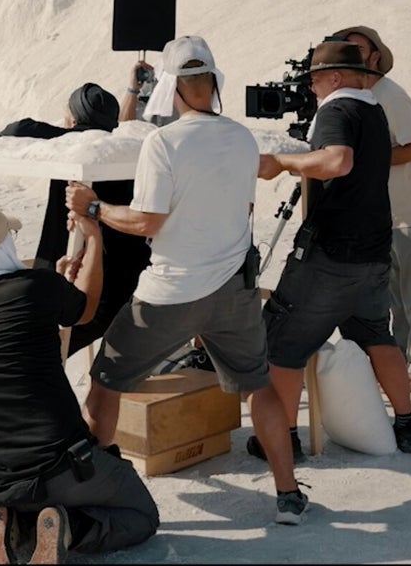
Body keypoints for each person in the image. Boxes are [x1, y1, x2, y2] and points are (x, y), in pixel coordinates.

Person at [65, 35, 308, 525]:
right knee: (258, 387)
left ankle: (91, 497)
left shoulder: (163, 142)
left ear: (171, 86)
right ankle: (288, 495)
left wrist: (92, 207)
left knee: (104, 381)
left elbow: (146, 221)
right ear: (212, 82)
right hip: (232, 290)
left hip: (170, 293)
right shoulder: (242, 136)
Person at [0, 204, 159, 563]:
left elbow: (9, 329)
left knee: (24, 523)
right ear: (4, 246)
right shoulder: (36, 287)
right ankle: (69, 527)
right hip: (57, 465)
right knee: (141, 517)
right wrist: (95, 240)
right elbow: (84, 310)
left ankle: (6, 520)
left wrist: (55, 285)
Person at [257, 40, 411, 455]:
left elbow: (337, 161)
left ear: (334, 77)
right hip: (372, 249)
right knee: (376, 337)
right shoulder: (372, 109)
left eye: (313, 79)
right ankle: (407, 426)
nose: (310, 88)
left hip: (331, 253)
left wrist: (284, 162)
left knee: (283, 344)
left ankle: (285, 440)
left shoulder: (336, 110)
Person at [0, 82, 151, 358]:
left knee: (38, 355)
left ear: (75, 120)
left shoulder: (71, 144)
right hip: (128, 286)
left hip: (82, 286)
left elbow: (20, 129)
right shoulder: (126, 148)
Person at [332, 25, 411, 393]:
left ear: (375, 56)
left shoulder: (389, 95)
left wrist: (369, 160)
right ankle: (401, 364)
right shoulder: (359, 98)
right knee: (395, 297)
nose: (350, 54)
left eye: (357, 49)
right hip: (384, 214)